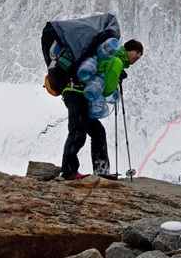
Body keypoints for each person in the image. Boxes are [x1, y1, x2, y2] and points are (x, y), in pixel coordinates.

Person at [60, 39, 143, 180]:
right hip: (77, 92)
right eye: (137, 52)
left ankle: (101, 171)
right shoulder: (117, 61)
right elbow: (107, 90)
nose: (138, 57)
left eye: (140, 55)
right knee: (78, 130)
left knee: (97, 132)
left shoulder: (110, 57)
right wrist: (116, 80)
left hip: (77, 92)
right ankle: (68, 171)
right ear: (128, 50)